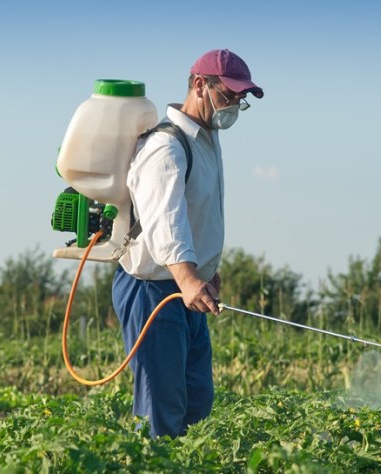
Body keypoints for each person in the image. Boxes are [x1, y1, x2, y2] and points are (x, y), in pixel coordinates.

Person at [112, 49, 264, 438]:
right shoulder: (166, 146)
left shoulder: (206, 140)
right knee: (162, 411)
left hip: (185, 287)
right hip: (153, 290)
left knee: (197, 402)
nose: (233, 105)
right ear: (200, 85)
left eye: (239, 100)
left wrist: (207, 272)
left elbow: (202, 213)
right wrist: (188, 276)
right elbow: (166, 221)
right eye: (228, 95)